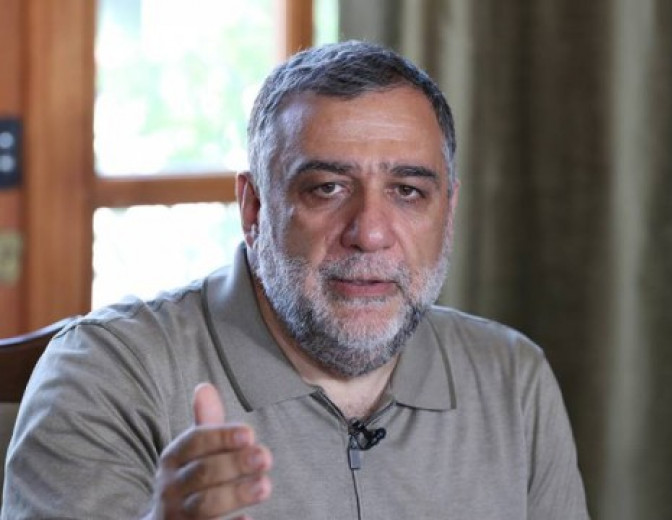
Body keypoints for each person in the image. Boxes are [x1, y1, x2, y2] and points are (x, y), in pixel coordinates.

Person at [2, 41, 588, 519]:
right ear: (254, 208)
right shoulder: (105, 374)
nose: (370, 233)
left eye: (408, 192)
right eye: (327, 188)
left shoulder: (513, 378)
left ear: (448, 213)